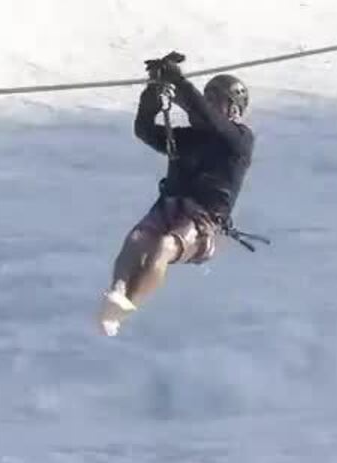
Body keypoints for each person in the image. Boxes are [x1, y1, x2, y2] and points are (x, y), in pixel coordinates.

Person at [98, 52, 256, 337]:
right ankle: (117, 291)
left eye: (215, 100)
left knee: (163, 247)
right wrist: (153, 95)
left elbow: (210, 120)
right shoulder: (189, 139)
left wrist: (178, 82)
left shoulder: (239, 140)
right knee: (137, 240)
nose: (207, 106)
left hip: (205, 222)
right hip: (170, 207)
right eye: (206, 98)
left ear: (233, 109)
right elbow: (145, 130)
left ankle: (127, 306)